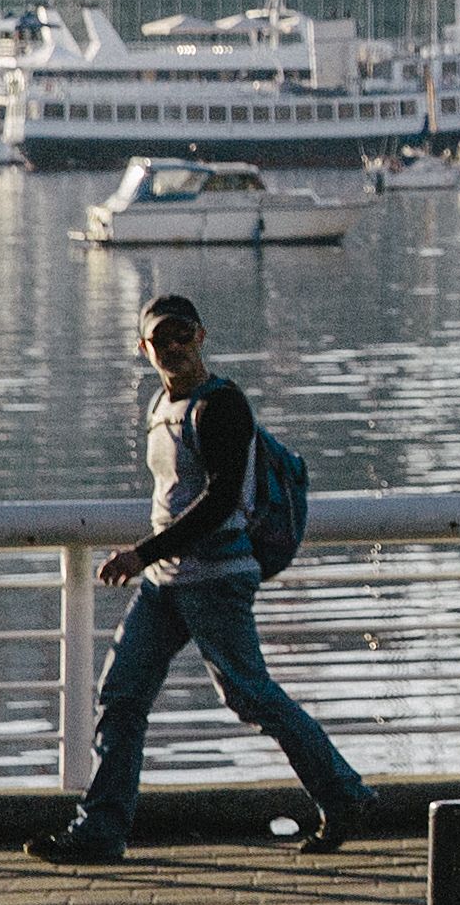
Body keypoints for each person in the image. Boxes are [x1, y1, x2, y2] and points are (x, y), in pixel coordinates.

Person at [29, 291, 380, 864]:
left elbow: (219, 502)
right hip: (167, 582)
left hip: (216, 578)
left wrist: (139, 554)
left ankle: (345, 795)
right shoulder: (159, 406)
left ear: (201, 337)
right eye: (159, 340)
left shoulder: (222, 407)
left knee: (249, 695)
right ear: (143, 349)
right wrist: (151, 561)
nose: (172, 348)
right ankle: (100, 832)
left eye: (181, 336)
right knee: (121, 694)